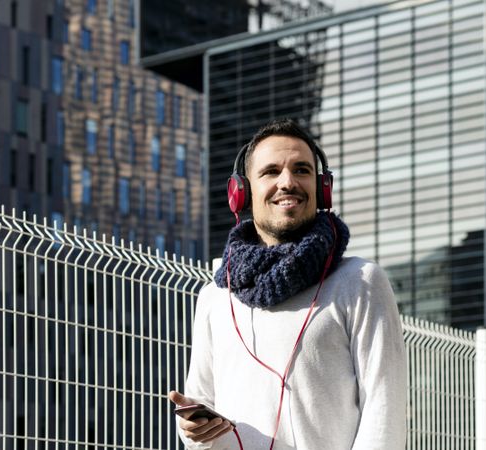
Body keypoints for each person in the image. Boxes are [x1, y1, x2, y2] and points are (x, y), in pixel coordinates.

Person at [169, 119, 406, 450]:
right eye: (270, 172)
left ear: (322, 188)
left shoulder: (361, 281)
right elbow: (200, 402)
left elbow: (384, 412)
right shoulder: (214, 296)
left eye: (302, 170)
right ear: (242, 193)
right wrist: (193, 430)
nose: (288, 182)